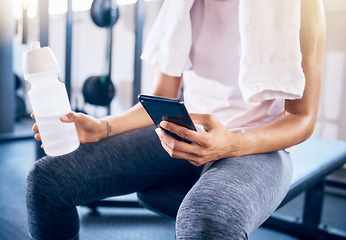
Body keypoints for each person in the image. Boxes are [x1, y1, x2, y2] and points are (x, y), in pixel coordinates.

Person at [26, 0, 326, 239]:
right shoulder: (181, 5)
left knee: (206, 219)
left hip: (257, 146)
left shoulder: (301, 4)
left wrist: (231, 144)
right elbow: (161, 97)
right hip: (186, 131)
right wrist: (103, 127)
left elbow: (302, 120)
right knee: (48, 180)